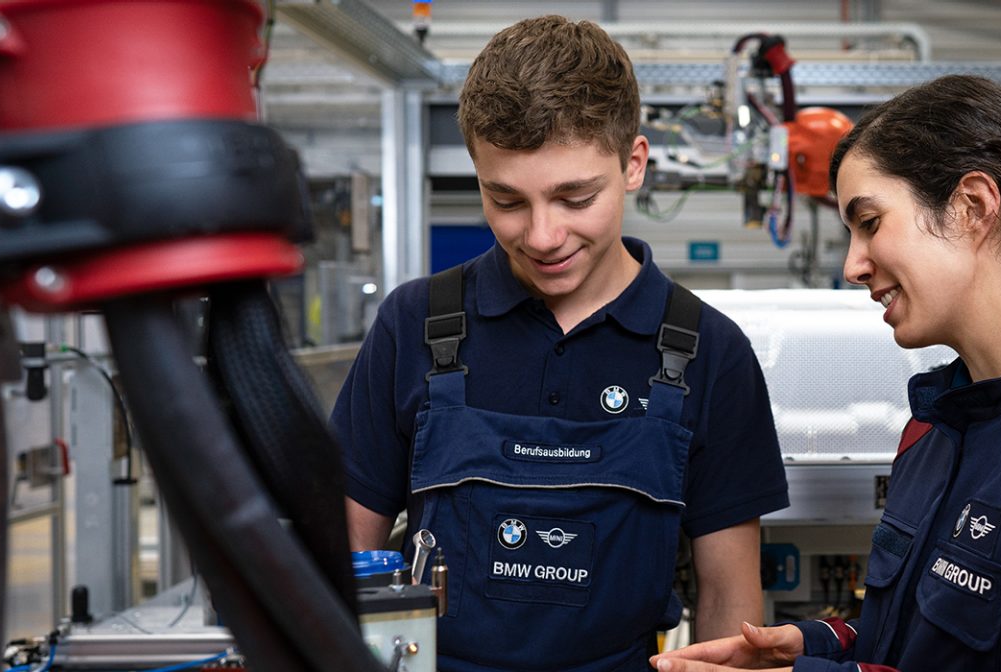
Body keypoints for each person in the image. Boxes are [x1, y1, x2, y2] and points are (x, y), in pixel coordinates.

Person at [651, 75, 1001, 672]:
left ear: (972, 207)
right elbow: (926, 642)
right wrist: (825, 645)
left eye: (870, 222)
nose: (852, 266)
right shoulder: (935, 425)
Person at [333, 16, 790, 671]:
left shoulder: (709, 352)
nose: (543, 235)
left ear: (633, 164)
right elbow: (347, 572)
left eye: (575, 197)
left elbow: (727, 605)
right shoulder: (415, 325)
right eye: (507, 200)